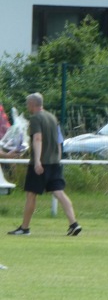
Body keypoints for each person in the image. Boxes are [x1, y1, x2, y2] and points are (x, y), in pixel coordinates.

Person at [8, 93, 82, 236]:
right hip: (55, 162)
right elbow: (59, 140)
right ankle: (74, 224)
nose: (26, 106)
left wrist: (37, 161)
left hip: (41, 164)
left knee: (31, 195)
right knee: (59, 193)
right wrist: (58, 157)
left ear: (32, 104)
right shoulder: (52, 117)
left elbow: (37, 139)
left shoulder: (35, 118)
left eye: (27, 103)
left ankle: (24, 228)